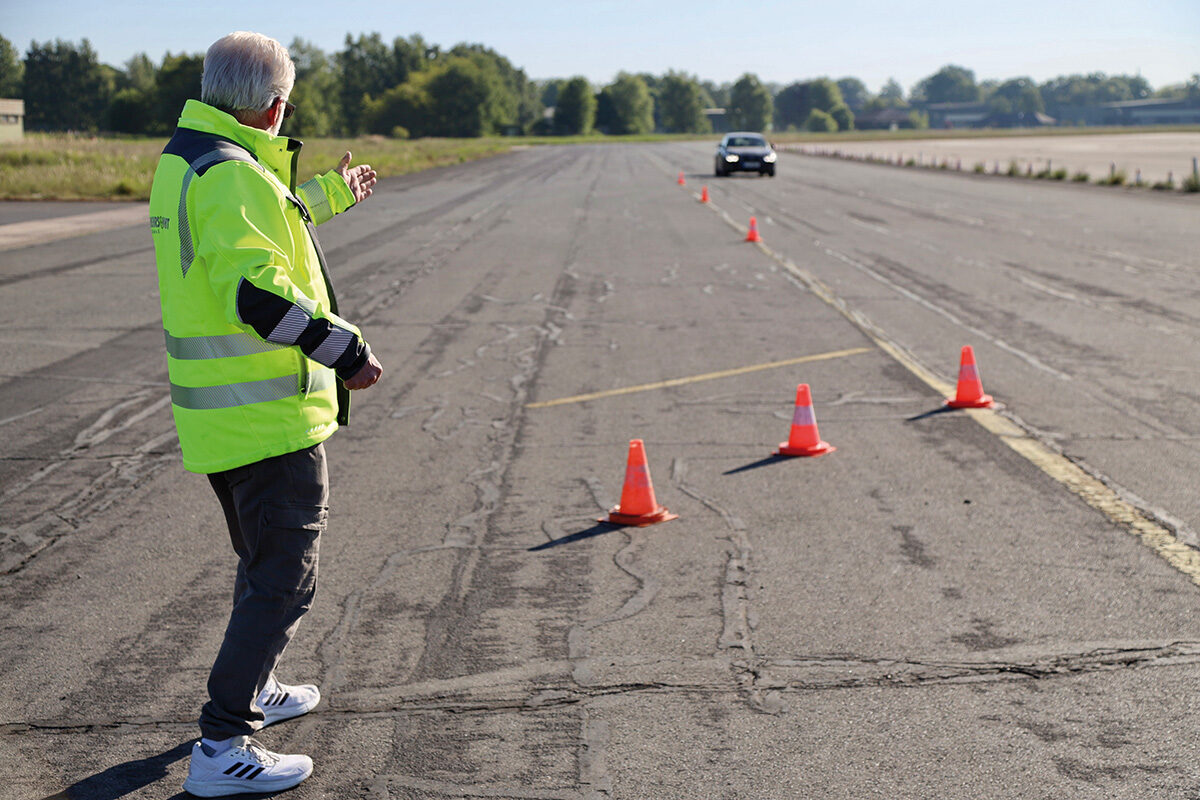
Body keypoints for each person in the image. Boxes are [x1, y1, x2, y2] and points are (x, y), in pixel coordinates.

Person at [148, 31, 382, 796]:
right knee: (285, 581)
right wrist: (345, 351)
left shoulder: (192, 160)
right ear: (274, 105)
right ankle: (222, 744)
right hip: (266, 422)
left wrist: (329, 195)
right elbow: (258, 294)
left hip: (224, 422)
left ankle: (258, 687)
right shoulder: (231, 175)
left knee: (262, 569)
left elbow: (255, 232)